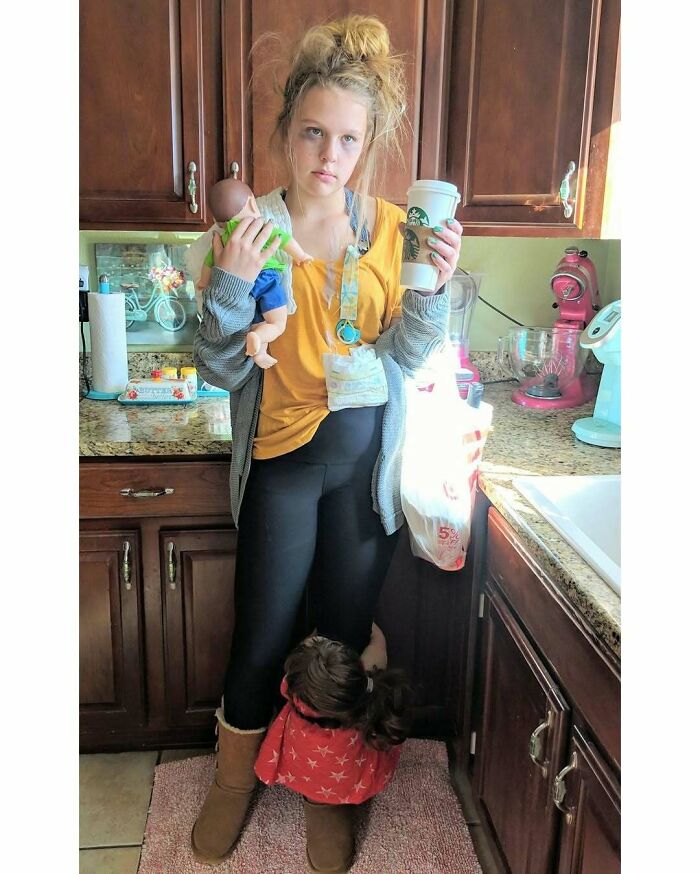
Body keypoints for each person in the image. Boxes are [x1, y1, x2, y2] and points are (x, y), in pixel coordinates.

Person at [190, 13, 464, 871]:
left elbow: (409, 356)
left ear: (368, 141)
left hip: (361, 480)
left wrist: (435, 290)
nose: (328, 153)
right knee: (263, 634)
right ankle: (235, 781)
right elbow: (217, 369)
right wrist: (233, 285)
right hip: (280, 470)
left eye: (347, 137)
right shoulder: (250, 228)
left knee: (343, 636)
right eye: (313, 131)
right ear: (287, 129)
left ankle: (328, 787)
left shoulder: (394, 231)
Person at [254, 631, 411, 873]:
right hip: (349, 780)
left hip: (301, 773)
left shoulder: (293, 691)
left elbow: (301, 654)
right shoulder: (364, 694)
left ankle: (320, 803)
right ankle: (332, 806)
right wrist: (375, 630)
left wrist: (310, 637)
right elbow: (379, 647)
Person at [198, 177, 313, 368]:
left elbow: (209, 263)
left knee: (257, 319)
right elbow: (284, 239)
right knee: (277, 323)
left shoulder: (226, 239)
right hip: (267, 279)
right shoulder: (259, 226)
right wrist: (300, 255)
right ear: (252, 203)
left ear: (216, 221)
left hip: (243, 288)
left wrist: (203, 281)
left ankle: (259, 351)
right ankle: (258, 337)